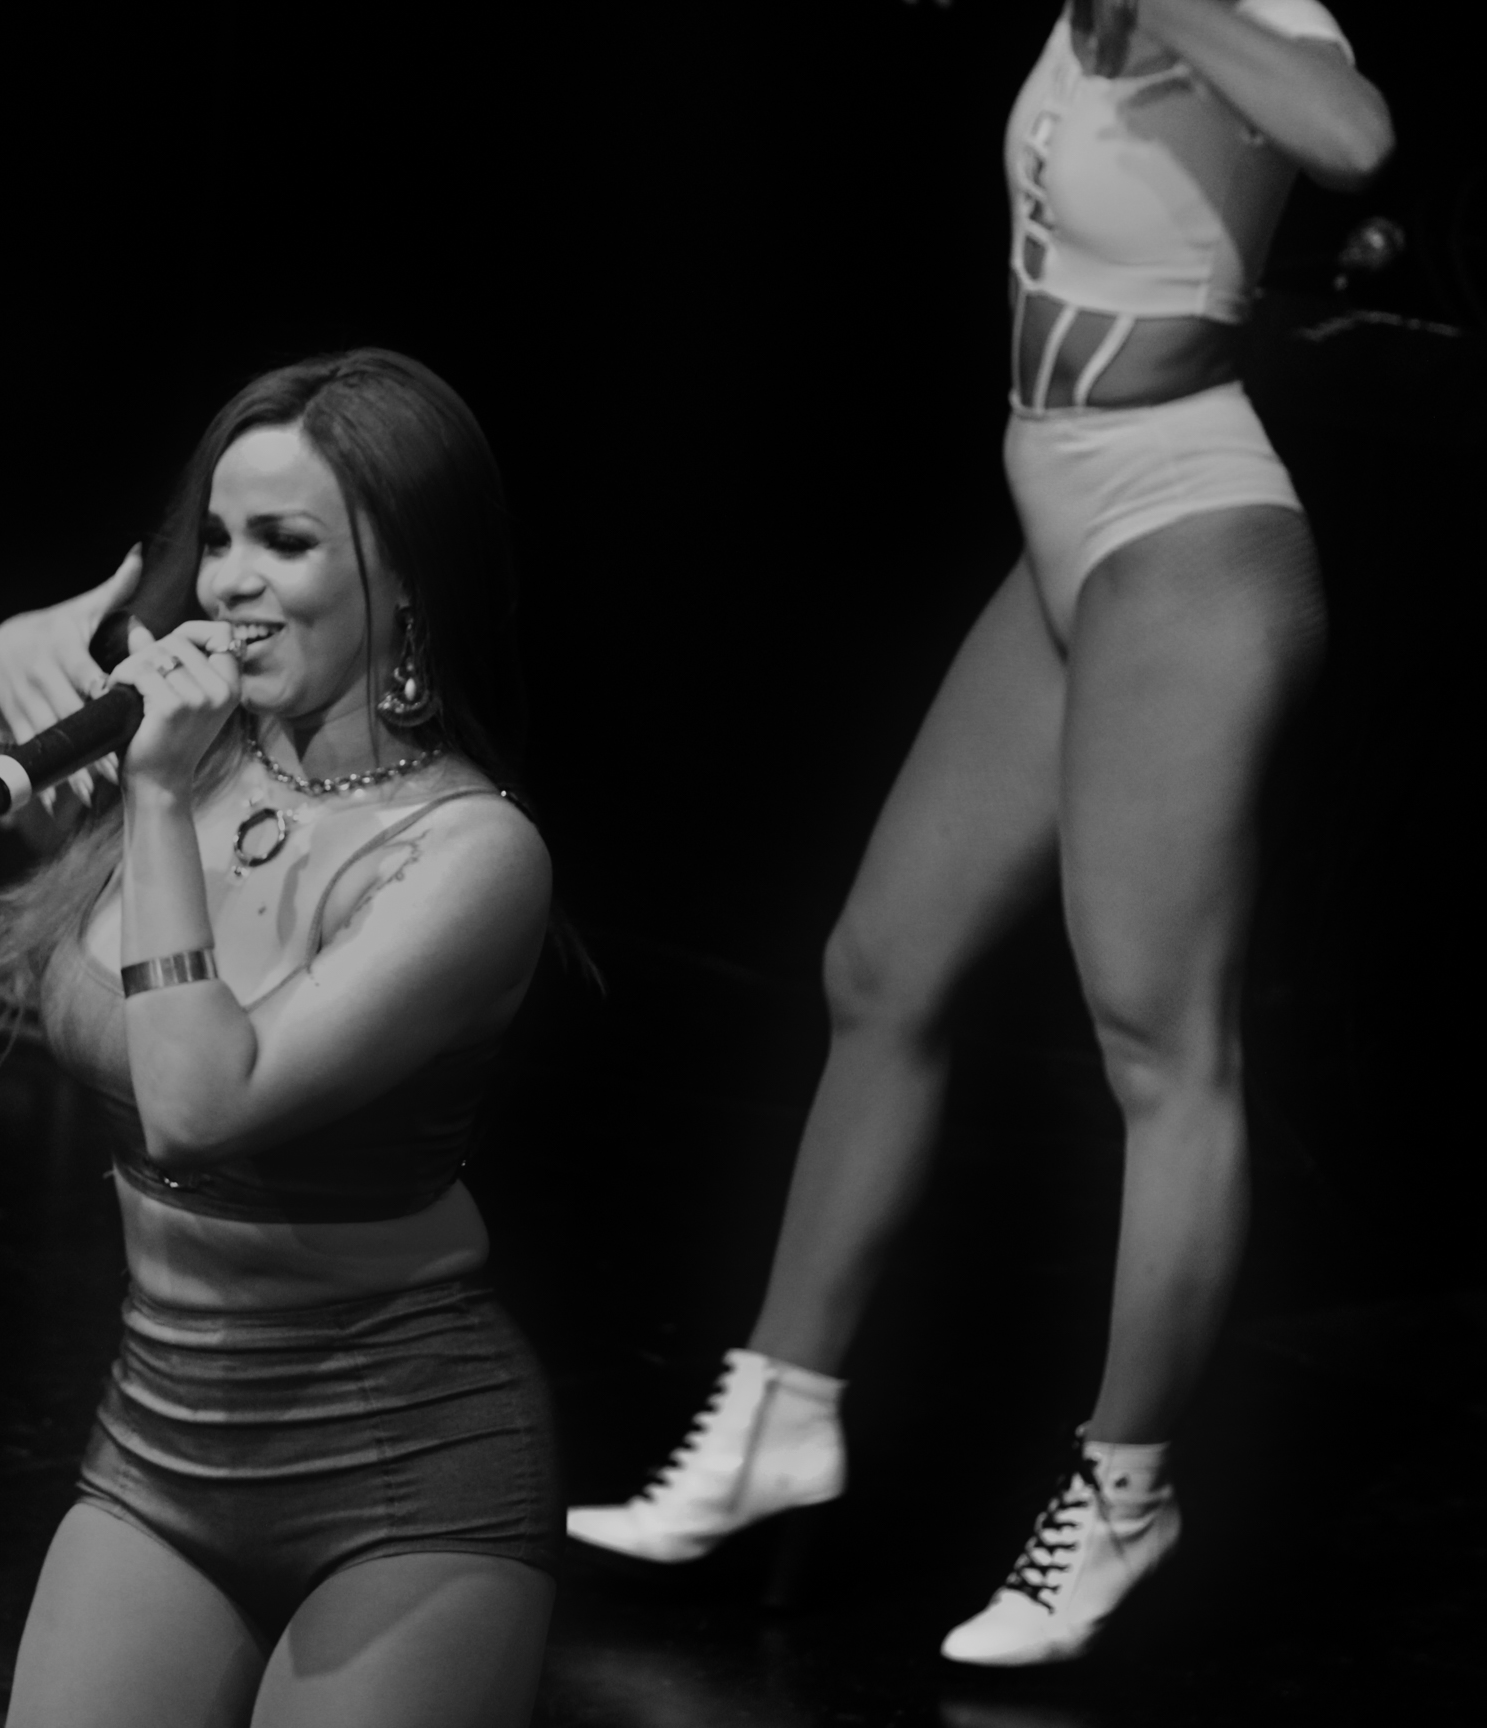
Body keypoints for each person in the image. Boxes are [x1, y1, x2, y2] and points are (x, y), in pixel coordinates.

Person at [566, 0, 1393, 1669]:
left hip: (1189, 533)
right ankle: (779, 1413)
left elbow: (1356, 138)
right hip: (1064, 516)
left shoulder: (1251, 10)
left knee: (1160, 1048)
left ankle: (1126, 1495)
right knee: (880, 970)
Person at [0, 350, 561, 1727]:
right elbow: (19, 732)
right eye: (217, 541)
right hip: (157, 1443)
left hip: (404, 1473)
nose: (229, 584)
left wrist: (153, 804)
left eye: (286, 542)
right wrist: (18, 653)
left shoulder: (469, 856)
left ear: (408, 577)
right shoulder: (202, 754)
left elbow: (200, 1105)